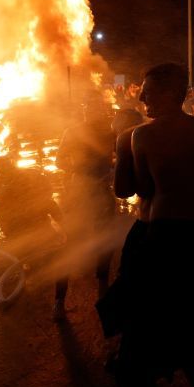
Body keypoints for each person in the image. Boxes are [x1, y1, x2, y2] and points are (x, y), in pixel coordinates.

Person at [111, 63, 194, 387]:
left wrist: (122, 148)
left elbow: (133, 189)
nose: (140, 97)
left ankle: (147, 370)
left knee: (151, 308)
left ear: (169, 95)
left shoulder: (139, 135)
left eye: (147, 91)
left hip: (169, 235)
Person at [0, 156, 66, 318]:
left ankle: (57, 302)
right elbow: (51, 206)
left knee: (59, 265)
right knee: (55, 265)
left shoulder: (9, 186)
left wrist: (65, 230)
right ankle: (55, 300)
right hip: (28, 237)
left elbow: (49, 205)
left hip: (35, 236)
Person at [57, 94, 116, 285]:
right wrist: (78, 171)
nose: (93, 112)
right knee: (75, 233)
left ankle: (102, 279)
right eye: (90, 108)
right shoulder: (73, 132)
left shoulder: (110, 133)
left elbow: (119, 156)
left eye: (97, 109)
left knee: (103, 233)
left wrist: (112, 169)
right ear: (85, 111)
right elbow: (59, 160)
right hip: (80, 189)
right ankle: (80, 268)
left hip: (101, 188)